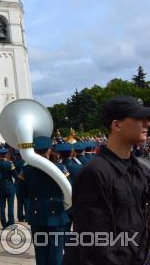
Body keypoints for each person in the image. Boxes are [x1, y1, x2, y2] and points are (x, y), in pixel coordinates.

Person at [64, 96, 150, 265]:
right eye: (139, 118)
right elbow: (96, 245)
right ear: (116, 124)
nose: (147, 124)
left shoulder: (141, 170)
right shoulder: (95, 173)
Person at [16, 136, 70, 265]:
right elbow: (69, 191)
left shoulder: (26, 170)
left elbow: (21, 193)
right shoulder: (60, 168)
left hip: (37, 215)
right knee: (56, 254)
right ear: (49, 150)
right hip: (55, 215)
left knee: (41, 255)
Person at [0, 147, 17, 229]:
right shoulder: (9, 164)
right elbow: (15, 175)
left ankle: (3, 224)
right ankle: (11, 223)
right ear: (6, 155)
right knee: (10, 206)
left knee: (2, 207)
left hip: (1, 187)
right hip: (10, 187)